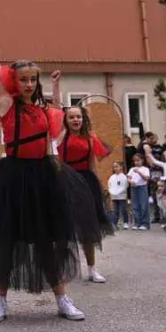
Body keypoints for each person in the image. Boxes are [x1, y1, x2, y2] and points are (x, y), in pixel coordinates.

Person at [0, 13, 98, 322]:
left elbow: (54, 137)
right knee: (5, 241)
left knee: (47, 241)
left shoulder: (46, 112)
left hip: (42, 176)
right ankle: (0, 301)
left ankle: (62, 299)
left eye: (31, 80)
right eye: (23, 79)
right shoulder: (6, 105)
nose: (28, 84)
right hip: (12, 176)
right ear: (14, 81)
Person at [52, 71, 113, 283]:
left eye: (78, 116)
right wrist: (56, 84)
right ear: (66, 120)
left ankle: (92, 269)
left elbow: (92, 164)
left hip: (86, 182)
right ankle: (61, 268)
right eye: (72, 117)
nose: (75, 119)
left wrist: (101, 187)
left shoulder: (90, 138)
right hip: (64, 181)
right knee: (63, 227)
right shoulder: (61, 135)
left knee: (88, 227)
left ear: (82, 119)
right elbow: (58, 109)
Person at [127, 154, 151, 230]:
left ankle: (145, 223)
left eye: (138, 160)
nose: (136, 162)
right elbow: (128, 177)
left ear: (142, 160)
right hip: (134, 188)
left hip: (142, 187)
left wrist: (139, 172)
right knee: (135, 205)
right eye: (135, 161)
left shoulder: (145, 169)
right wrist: (130, 182)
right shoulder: (131, 169)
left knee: (143, 205)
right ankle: (137, 222)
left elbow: (146, 178)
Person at [107, 161, 129, 230]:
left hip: (122, 197)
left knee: (123, 210)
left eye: (117, 166)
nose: (115, 168)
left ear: (121, 167)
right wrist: (111, 192)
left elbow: (125, 186)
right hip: (114, 197)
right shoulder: (112, 177)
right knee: (115, 211)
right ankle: (114, 223)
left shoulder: (124, 177)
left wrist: (118, 192)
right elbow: (109, 185)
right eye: (114, 167)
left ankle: (125, 222)